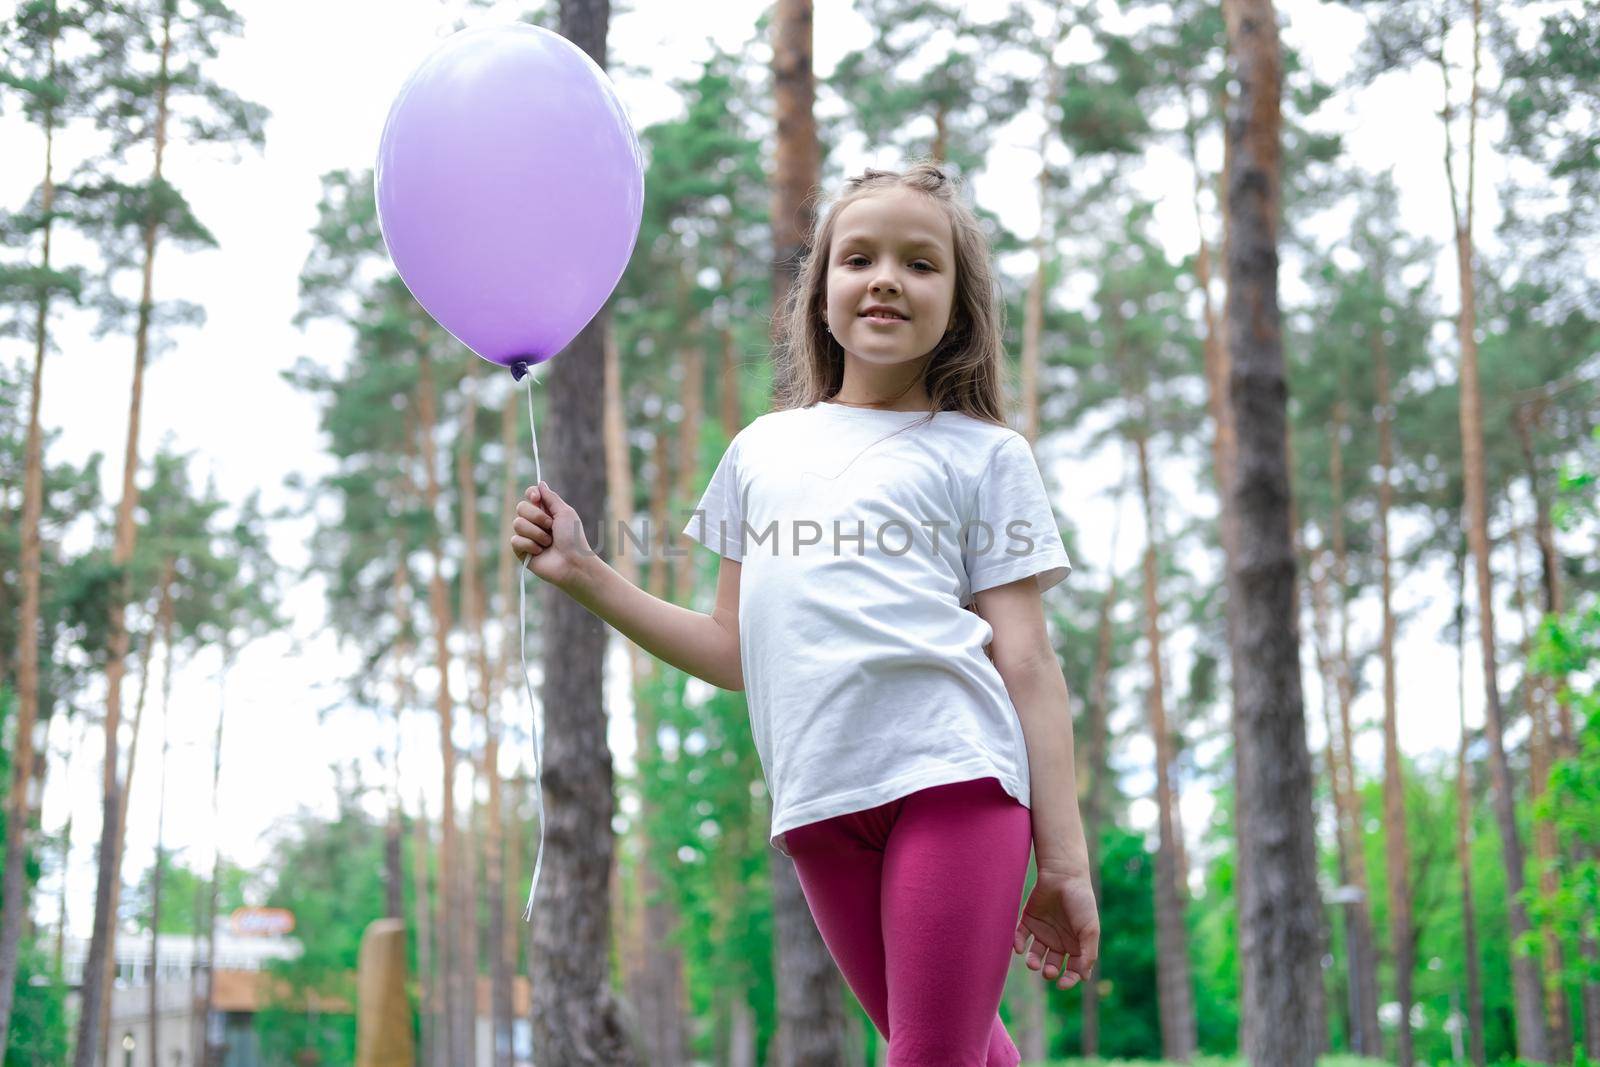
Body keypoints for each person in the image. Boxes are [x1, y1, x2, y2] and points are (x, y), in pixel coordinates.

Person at [509, 160, 1099, 1066]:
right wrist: (587, 573)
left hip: (956, 781)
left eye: (921, 262)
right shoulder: (760, 452)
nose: (887, 278)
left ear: (960, 303)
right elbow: (729, 645)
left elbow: (1027, 661)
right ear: (820, 293)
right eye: (858, 258)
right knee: (957, 1048)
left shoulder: (985, 455)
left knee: (927, 1055)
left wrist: (1063, 858)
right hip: (819, 804)